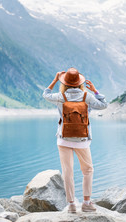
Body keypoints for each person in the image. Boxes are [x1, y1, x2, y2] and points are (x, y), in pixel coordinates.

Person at [42, 67, 107, 213]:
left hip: (63, 139)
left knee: (68, 172)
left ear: (64, 82)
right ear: (80, 83)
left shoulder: (60, 96)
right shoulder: (87, 96)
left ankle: (71, 205)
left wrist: (54, 80)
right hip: (82, 140)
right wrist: (95, 91)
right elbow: (103, 105)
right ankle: (86, 203)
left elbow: (45, 94)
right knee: (88, 170)